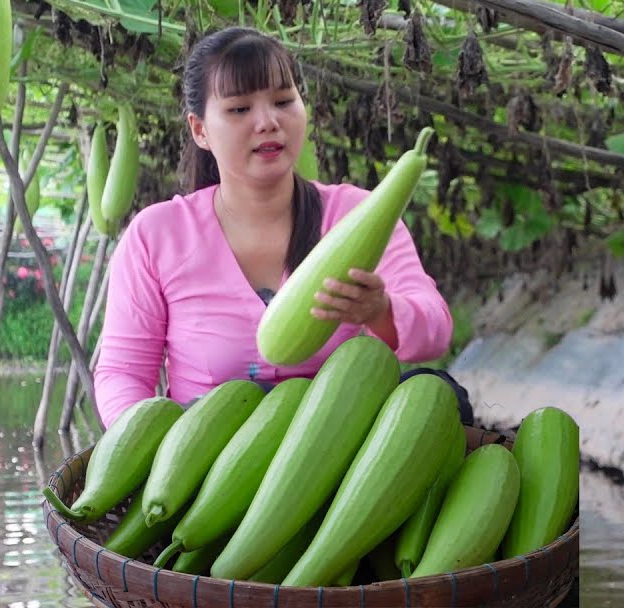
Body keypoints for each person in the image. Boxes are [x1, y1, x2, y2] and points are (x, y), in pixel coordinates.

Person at [93, 27, 469, 428]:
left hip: (330, 447)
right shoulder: (157, 235)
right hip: (206, 459)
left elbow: (435, 331)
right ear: (200, 129)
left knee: (438, 395)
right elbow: (123, 373)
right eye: (240, 109)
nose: (268, 121)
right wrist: (141, 447)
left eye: (283, 101)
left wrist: (381, 311)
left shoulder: (358, 213)